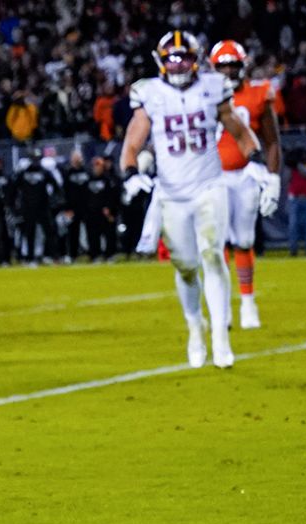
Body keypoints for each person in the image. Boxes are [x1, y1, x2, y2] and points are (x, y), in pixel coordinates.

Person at [118, 30, 277, 369]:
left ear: (196, 59)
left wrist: (256, 160)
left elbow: (236, 127)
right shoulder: (150, 93)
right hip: (173, 195)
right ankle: (195, 328)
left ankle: (220, 335)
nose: (178, 65)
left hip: (210, 186)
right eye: (172, 58)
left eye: (184, 57)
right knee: (187, 267)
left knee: (213, 255)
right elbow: (133, 140)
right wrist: (130, 172)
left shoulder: (211, 87)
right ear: (160, 62)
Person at [209, 40, 282, 330]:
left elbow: (272, 140)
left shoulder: (257, 93)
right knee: (216, 244)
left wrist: (274, 178)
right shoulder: (202, 95)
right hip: (212, 176)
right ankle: (222, 306)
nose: (228, 71)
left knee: (244, 240)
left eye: (233, 65)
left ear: (243, 65)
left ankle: (248, 302)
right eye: (223, 66)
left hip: (245, 174)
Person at [10, 150, 59, 263]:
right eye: (33, 158)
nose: (35, 161)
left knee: (49, 232)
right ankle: (30, 258)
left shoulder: (45, 172)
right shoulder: (23, 173)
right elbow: (13, 190)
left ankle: (54, 256)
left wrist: (54, 203)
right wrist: (14, 207)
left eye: (37, 158)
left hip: (43, 207)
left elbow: (56, 187)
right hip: (28, 208)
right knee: (29, 234)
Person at [84, 156, 120, 260]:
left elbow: (111, 195)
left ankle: (110, 254)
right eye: (95, 165)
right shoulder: (88, 179)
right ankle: (95, 255)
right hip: (92, 212)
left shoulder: (108, 179)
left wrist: (109, 208)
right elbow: (84, 196)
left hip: (105, 212)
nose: (97, 168)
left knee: (109, 234)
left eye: (99, 165)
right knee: (93, 235)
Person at [284, 148, 306, 255]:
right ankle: (293, 250)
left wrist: (298, 164)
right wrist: (293, 165)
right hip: (295, 198)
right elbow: (286, 179)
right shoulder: (291, 168)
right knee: (293, 226)